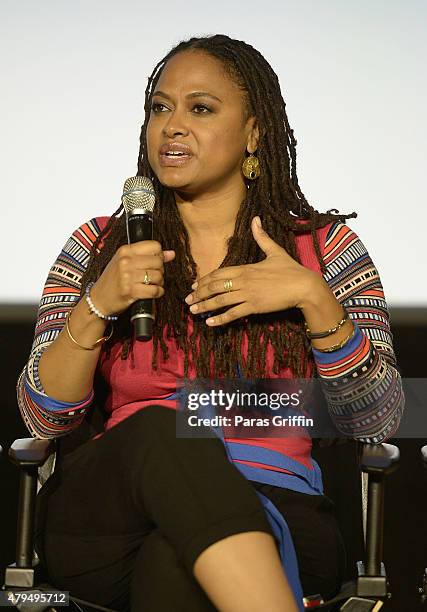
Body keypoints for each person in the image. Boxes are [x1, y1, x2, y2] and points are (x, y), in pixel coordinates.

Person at [17, 34, 404, 612]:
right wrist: (99, 303)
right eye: (159, 107)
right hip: (109, 517)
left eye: (199, 108)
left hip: (279, 509)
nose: (172, 126)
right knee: (158, 431)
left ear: (254, 132)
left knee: (175, 563)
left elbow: (381, 417)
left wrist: (316, 303)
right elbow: (40, 414)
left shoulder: (323, 251)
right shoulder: (100, 249)